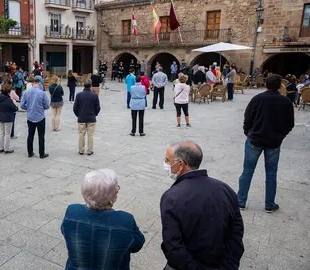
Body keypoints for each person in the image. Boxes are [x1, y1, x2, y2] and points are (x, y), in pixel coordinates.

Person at [161, 141, 244, 269]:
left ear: (181, 164)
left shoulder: (171, 198)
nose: (166, 164)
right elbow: (236, 233)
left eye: (167, 160)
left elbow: (173, 246)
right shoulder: (225, 189)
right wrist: (229, 265)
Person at [61, 169, 145, 269]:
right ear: (111, 199)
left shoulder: (72, 211)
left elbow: (64, 230)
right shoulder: (125, 220)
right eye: (116, 190)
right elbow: (137, 245)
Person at [238, 74, 295, 213]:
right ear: (280, 85)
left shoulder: (258, 99)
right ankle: (269, 204)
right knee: (271, 174)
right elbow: (290, 123)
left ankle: (240, 201)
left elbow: (247, 118)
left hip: (255, 140)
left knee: (247, 172)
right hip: (274, 143)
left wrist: (248, 133)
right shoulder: (286, 102)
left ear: (265, 84)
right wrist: (281, 136)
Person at [20, 77, 50, 159]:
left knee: (30, 135)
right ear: (39, 83)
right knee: (41, 136)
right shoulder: (42, 93)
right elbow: (47, 106)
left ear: (32, 83)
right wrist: (41, 107)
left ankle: (30, 152)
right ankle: (41, 153)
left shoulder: (26, 92)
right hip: (40, 117)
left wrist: (29, 108)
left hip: (30, 116)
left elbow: (22, 105)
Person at [73, 78, 100, 155]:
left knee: (81, 134)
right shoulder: (94, 95)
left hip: (81, 117)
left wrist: (78, 115)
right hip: (91, 117)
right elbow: (98, 107)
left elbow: (75, 108)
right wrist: (95, 114)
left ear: (83, 85)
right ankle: (89, 150)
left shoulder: (79, 95)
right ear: (91, 85)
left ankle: (81, 150)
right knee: (90, 135)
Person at [0, 79, 18, 154]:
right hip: (8, 117)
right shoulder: (8, 100)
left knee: (2, 133)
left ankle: (1, 148)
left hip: (0, 116)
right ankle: (6, 148)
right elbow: (14, 108)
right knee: (7, 134)